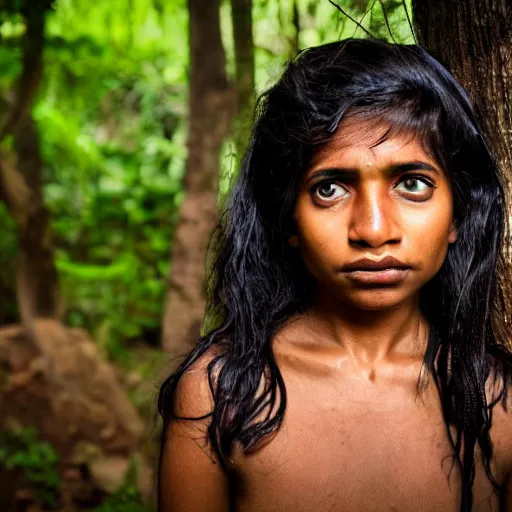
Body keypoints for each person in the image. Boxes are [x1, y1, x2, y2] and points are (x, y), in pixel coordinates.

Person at [157, 38, 512, 511]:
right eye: (329, 189)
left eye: (412, 184)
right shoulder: (221, 394)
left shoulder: (501, 406)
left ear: (458, 214)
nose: (373, 230)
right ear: (288, 219)